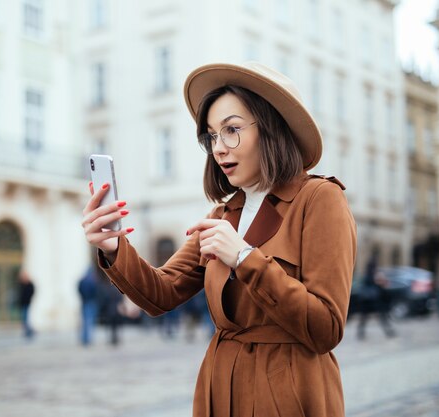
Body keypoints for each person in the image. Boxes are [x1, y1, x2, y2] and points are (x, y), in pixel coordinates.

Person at [82, 62, 356, 417]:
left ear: (272, 129)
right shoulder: (224, 215)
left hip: (289, 393)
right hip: (220, 391)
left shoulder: (319, 198)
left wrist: (245, 258)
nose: (219, 148)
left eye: (232, 130)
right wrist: (113, 245)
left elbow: (326, 328)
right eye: (212, 136)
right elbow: (160, 293)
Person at [357, 252, 396, 340]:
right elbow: (373, 285)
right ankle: (388, 332)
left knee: (367, 318)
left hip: (368, 300)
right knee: (378, 316)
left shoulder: (368, 274)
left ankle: (361, 333)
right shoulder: (372, 275)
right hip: (371, 300)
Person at [78, 265, 100, 346]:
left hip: (84, 301)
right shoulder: (93, 281)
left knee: (85, 321)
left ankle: (84, 338)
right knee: (90, 321)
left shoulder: (82, 280)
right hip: (91, 302)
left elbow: (79, 290)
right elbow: (96, 291)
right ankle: (88, 339)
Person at [17, 270, 35, 339]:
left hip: (27, 303)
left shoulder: (29, 284)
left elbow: (31, 292)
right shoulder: (22, 284)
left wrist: (28, 298)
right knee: (24, 318)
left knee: (26, 318)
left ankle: (28, 331)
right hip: (23, 303)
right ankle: (28, 331)